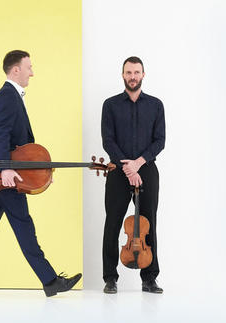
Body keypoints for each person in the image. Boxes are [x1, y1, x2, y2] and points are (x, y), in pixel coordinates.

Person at [0, 50, 82, 297]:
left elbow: (21, 146)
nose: (32, 72)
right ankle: (50, 280)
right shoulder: (7, 96)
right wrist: (5, 168)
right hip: (6, 177)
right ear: (16, 70)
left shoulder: (12, 96)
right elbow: (0, 134)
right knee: (24, 225)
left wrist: (41, 171)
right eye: (29, 67)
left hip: (6, 176)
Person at [101, 56, 165, 294]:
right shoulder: (110, 105)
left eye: (136, 72)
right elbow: (108, 140)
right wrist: (128, 168)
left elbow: (160, 141)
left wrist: (138, 163)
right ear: (122, 75)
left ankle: (149, 278)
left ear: (143, 75)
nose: (133, 76)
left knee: (149, 224)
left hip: (146, 168)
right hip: (118, 170)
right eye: (128, 72)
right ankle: (110, 277)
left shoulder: (156, 105)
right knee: (113, 223)